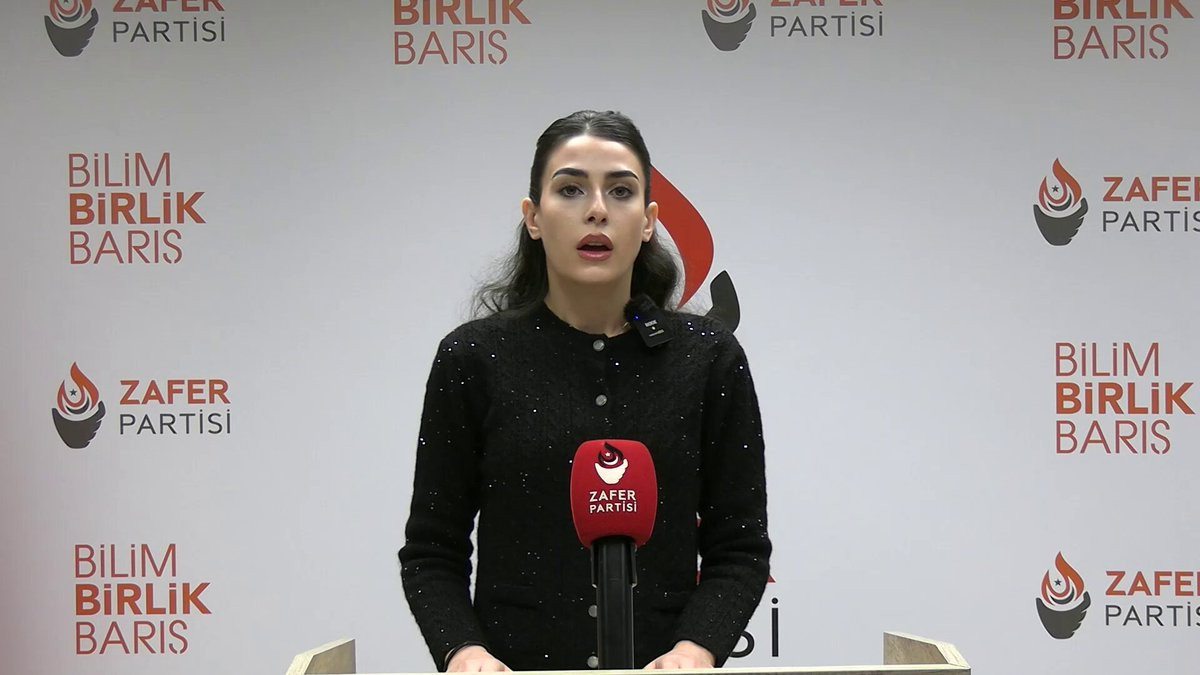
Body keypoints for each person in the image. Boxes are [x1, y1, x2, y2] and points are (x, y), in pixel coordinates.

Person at [398, 110, 770, 672]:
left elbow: (740, 547)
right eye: (570, 189)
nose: (597, 209)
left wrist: (696, 648)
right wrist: (462, 651)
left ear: (649, 222)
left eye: (621, 191)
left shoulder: (709, 359)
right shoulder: (473, 359)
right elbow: (432, 550)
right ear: (533, 218)